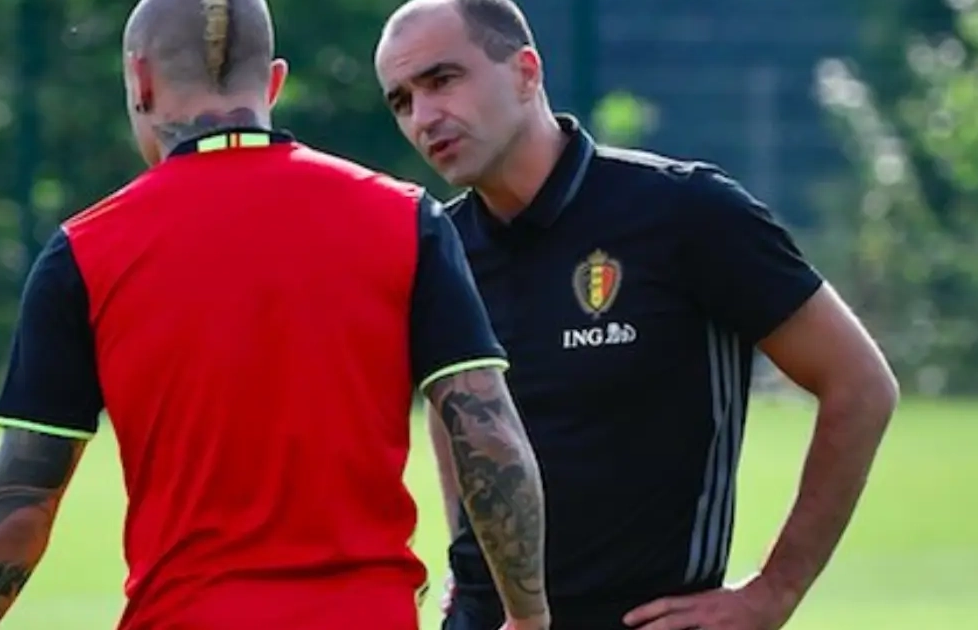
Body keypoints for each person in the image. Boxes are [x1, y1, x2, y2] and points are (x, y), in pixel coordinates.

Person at [0, 1, 551, 629]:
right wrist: (527, 615)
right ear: (273, 81)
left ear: (140, 79)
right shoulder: (408, 220)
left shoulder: (85, 252)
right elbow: (488, 432)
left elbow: (20, 498)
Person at [374, 1, 900, 629]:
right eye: (402, 101)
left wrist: (775, 589)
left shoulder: (686, 213)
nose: (424, 117)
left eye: (442, 80)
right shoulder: (438, 246)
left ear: (525, 72)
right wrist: (471, 571)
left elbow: (860, 385)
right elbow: (459, 409)